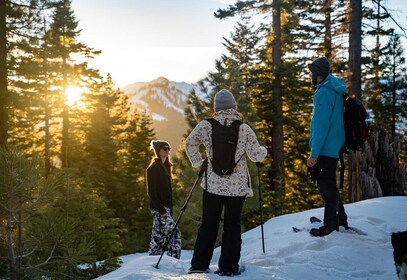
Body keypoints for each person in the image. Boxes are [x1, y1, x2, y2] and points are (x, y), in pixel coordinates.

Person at [185, 89, 267, 276]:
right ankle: (228, 268)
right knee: (232, 226)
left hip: (212, 184)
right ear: (234, 107)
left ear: (216, 108)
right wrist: (263, 150)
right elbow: (256, 155)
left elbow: (190, 143)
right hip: (237, 188)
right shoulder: (243, 128)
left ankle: (199, 264)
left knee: (208, 224)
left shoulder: (206, 126)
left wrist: (199, 164)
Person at [307, 56, 349, 237]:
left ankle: (330, 226)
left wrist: (314, 154)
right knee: (330, 184)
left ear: (317, 74)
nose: (310, 75)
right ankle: (340, 220)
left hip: (326, 147)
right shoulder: (334, 88)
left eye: (311, 72)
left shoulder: (324, 92)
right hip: (335, 143)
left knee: (326, 187)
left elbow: (321, 125)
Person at [146, 140, 181, 259]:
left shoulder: (167, 167)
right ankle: (173, 259)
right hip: (159, 208)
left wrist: (169, 209)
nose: (167, 151)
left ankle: (153, 258)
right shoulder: (153, 169)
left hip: (166, 208)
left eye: (168, 148)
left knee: (158, 235)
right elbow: (151, 192)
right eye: (164, 148)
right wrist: (162, 210)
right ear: (158, 151)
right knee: (174, 232)